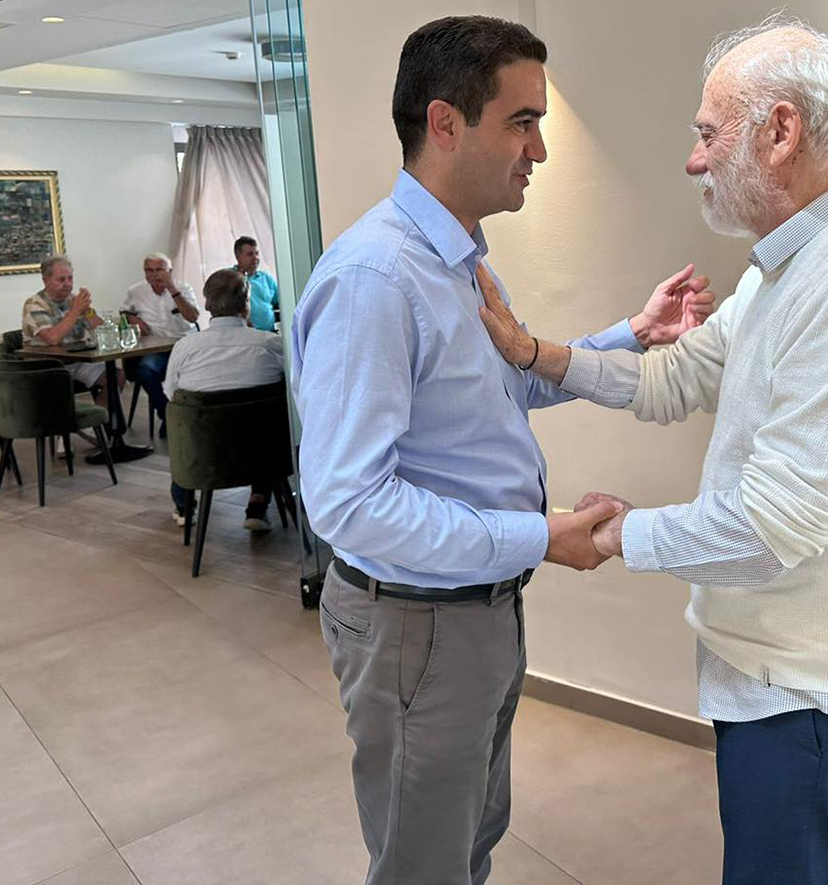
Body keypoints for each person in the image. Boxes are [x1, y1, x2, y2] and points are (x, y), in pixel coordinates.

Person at [479, 21, 828, 885]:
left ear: (781, 132)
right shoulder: (789, 265)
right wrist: (535, 353)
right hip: (775, 667)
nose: (694, 159)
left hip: (810, 690)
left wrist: (614, 534)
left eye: (707, 133)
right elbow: (679, 376)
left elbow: (771, 527)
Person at [291, 16, 713, 885]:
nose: (540, 151)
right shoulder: (375, 278)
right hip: (417, 622)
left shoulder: (461, 263)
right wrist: (540, 537)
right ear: (445, 123)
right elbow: (350, 503)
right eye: (523, 122)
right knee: (424, 864)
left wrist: (632, 334)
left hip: (475, 609)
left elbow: (506, 384)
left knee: (469, 840)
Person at [163, 269, 284, 530]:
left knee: (183, 421)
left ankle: (185, 506)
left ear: (207, 303)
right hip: (266, 457)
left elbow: (171, 393)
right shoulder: (271, 345)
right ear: (247, 304)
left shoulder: (185, 348)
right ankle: (258, 502)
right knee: (268, 420)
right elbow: (297, 387)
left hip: (203, 458)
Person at [120, 252, 199, 436]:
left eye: (159, 270)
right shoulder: (136, 291)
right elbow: (124, 311)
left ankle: (181, 418)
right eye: (149, 270)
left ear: (169, 271)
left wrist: (172, 289)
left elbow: (193, 317)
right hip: (156, 348)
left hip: (184, 347)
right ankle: (168, 416)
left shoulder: (183, 288)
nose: (154, 275)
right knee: (145, 370)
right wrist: (132, 319)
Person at [22, 255, 106, 393]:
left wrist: (87, 312)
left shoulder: (73, 300)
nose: (67, 284)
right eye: (61, 279)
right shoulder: (34, 304)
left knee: (116, 377)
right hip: (46, 367)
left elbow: (99, 325)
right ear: (45, 280)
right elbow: (53, 338)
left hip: (78, 362)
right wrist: (76, 310)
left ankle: (104, 408)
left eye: (70, 278)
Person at [232, 236, 279, 332]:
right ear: (238, 256)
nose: (255, 258)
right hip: (243, 334)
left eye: (257, 253)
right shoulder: (229, 278)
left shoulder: (266, 278)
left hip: (270, 333)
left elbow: (281, 302)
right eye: (250, 254)